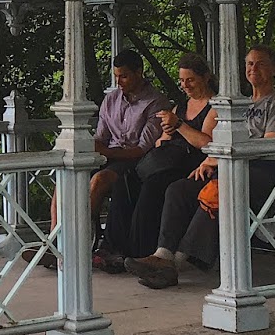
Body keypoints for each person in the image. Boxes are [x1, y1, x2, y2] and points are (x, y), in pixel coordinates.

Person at [129, 45, 275, 288]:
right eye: (249, 63)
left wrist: (221, 158)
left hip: (265, 171)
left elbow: (270, 143)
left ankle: (177, 261)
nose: (253, 69)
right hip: (230, 166)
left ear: (274, 69)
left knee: (217, 191)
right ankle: (163, 254)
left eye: (260, 63)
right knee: (179, 189)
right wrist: (209, 161)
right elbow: (221, 138)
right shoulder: (240, 104)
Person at [31, 50, 170, 268]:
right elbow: (100, 136)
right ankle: (54, 240)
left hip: (136, 162)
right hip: (108, 155)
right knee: (64, 179)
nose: (119, 81)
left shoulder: (156, 102)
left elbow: (142, 148)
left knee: (99, 180)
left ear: (139, 73)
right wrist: (93, 149)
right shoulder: (111, 99)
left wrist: (104, 151)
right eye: (116, 76)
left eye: (124, 76)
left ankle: (75, 242)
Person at [96, 53, 217, 269]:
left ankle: (140, 251)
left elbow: (206, 143)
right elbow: (164, 137)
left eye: (190, 79)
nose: (185, 85)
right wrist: (165, 138)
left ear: (205, 77)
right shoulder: (180, 106)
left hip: (192, 164)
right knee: (126, 182)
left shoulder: (214, 107)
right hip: (168, 160)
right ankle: (112, 248)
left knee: (154, 185)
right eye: (181, 80)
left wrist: (179, 125)